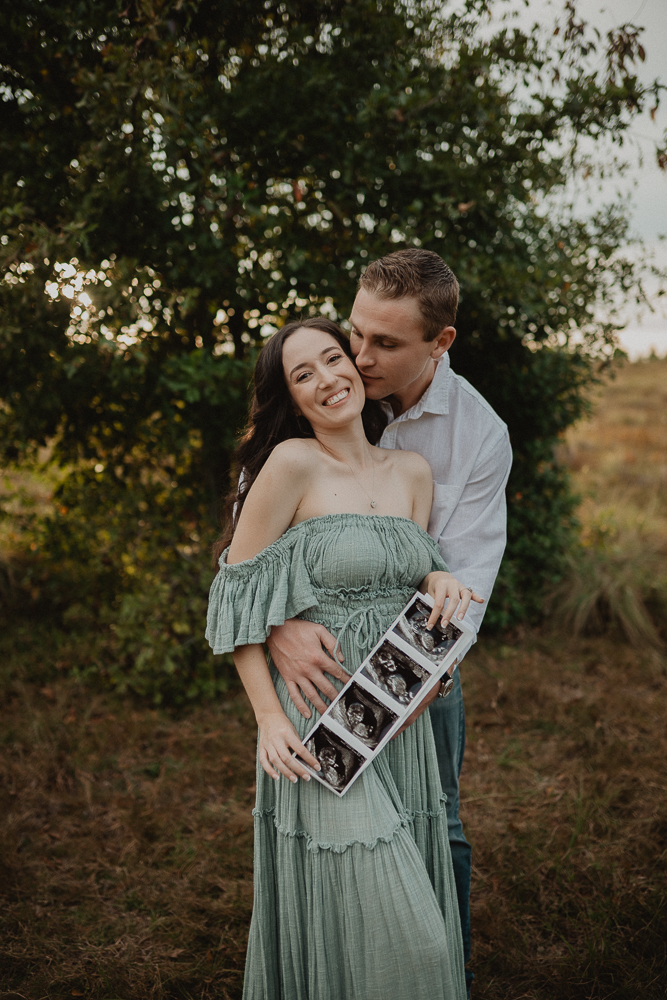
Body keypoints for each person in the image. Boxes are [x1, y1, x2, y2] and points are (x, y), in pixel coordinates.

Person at [206, 316, 484, 1000]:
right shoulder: (292, 465)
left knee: (376, 908)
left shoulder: (413, 473)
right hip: (315, 720)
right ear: (292, 400)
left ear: (355, 366)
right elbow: (234, 598)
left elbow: (405, 576)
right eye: (303, 375)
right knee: (403, 930)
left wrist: (437, 579)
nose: (326, 378)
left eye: (332, 359)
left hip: (393, 717)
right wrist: (268, 721)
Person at [266, 250, 513, 995]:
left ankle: (446, 977)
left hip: (420, 661)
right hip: (318, 659)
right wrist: (277, 626)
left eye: (385, 344)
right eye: (356, 333)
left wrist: (403, 691)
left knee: (438, 824)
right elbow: (249, 540)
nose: (358, 359)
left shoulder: (477, 435)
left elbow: (463, 579)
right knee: (331, 824)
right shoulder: (326, 383)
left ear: (440, 343)